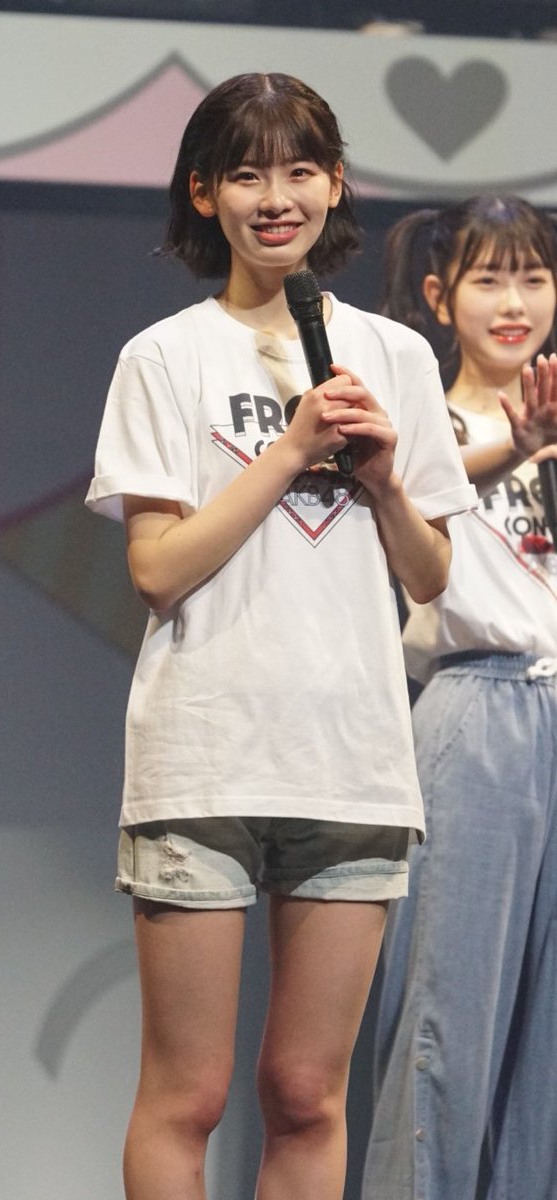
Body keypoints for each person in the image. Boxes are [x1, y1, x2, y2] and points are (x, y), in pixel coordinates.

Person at [85, 73, 475, 1200]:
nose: (277, 197)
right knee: (190, 1094)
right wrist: (291, 448)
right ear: (203, 193)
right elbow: (158, 570)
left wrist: (386, 482)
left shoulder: (396, 357)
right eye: (248, 174)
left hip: (350, 758)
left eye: (301, 170)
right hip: (204, 755)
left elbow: (429, 576)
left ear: (336, 184)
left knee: (307, 1094)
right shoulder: (165, 357)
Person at [362, 194, 557, 1200]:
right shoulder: (423, 420)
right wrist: (517, 447)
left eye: (534, 278)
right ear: (441, 297)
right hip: (478, 704)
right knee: (448, 1020)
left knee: (546, 1050)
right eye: (489, 280)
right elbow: (415, 498)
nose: (513, 303)